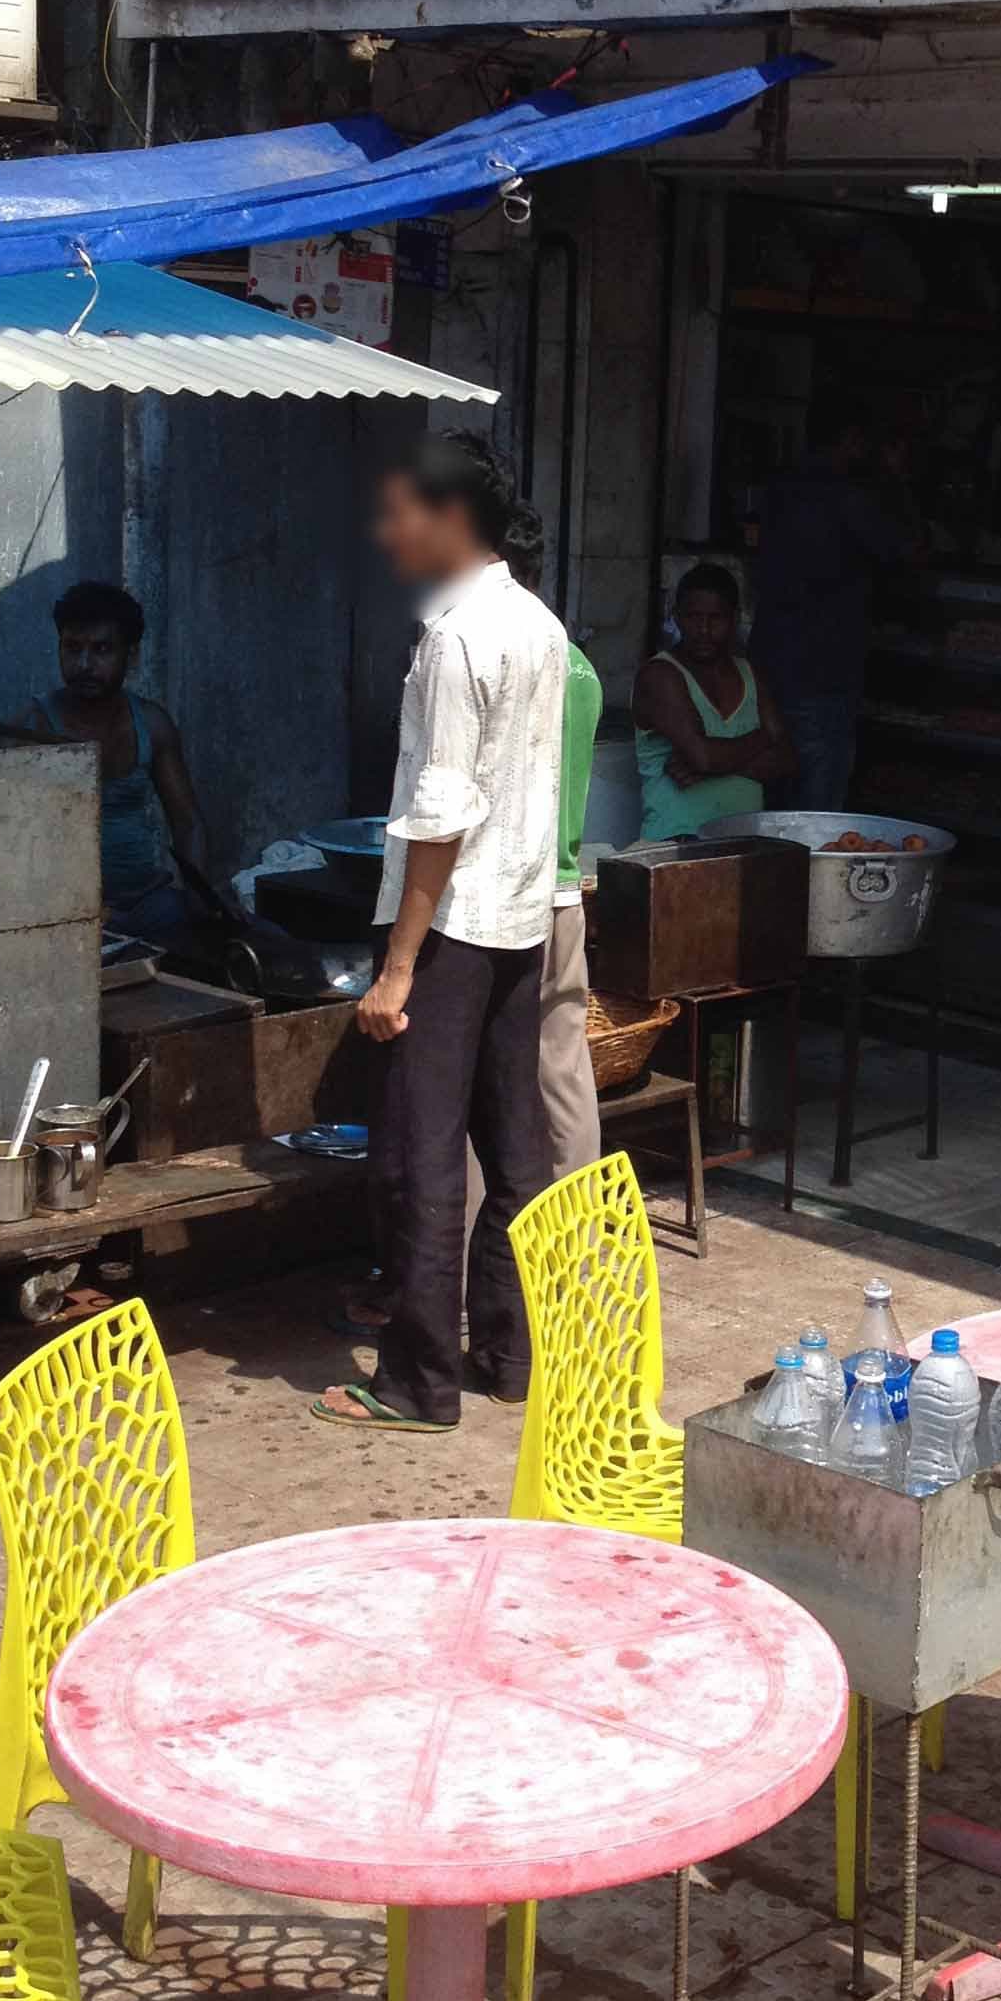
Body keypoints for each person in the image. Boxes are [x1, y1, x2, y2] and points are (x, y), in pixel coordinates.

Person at [317, 432, 567, 1435]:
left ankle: (419, 1383)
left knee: (423, 1163)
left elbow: (442, 812)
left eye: (407, 515)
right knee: (513, 1156)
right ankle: (507, 1356)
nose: (393, 535)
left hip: (461, 925)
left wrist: (398, 966)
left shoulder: (459, 638)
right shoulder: (538, 623)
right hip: (521, 918)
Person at [748, 412, 920, 810]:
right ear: (851, 440)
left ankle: (770, 870)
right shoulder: (849, 496)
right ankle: (808, 872)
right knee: (816, 799)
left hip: (771, 661)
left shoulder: (780, 488)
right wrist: (896, 481)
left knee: (775, 788)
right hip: (822, 667)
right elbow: (906, 552)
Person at [29, 581, 211, 956]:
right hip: (68, 912)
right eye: (72, 648)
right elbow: (16, 840)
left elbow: (187, 821)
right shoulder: (34, 728)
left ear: (132, 655)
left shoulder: (153, 724)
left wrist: (200, 897)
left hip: (149, 903)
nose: (84, 665)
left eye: (101, 650)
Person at [505, 504, 604, 1179]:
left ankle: (477, 1263)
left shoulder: (505, 658)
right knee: (565, 1074)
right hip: (563, 892)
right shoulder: (581, 668)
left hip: (504, 904)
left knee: (484, 1082)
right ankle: (575, 1243)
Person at [634, 562, 795, 838]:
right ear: (677, 616)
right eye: (693, 617)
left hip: (745, 847)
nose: (704, 630)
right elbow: (704, 757)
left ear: (734, 618)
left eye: (715, 618)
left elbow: (787, 760)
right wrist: (764, 737)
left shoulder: (749, 673)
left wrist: (710, 769)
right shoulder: (660, 674)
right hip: (677, 845)